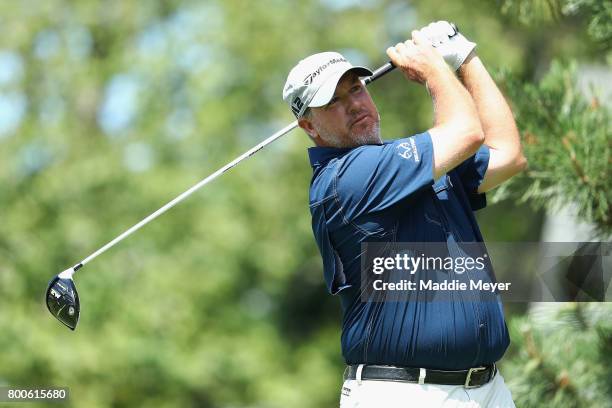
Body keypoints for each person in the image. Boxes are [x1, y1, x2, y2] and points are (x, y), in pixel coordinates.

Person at [282, 21, 526, 408]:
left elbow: (509, 155)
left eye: (357, 88)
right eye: (332, 102)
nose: (354, 104)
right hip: (404, 393)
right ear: (308, 125)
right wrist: (434, 69)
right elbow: (466, 132)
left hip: (487, 389)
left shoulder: (408, 161)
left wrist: (466, 57)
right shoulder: (344, 179)